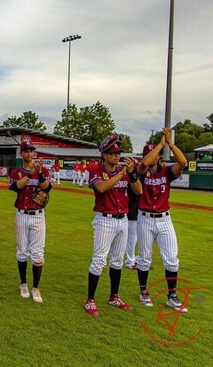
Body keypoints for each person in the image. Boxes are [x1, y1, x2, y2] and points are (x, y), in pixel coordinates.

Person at [84, 134, 142, 316]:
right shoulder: (96, 170)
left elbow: (138, 190)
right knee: (99, 260)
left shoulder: (124, 172)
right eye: (113, 153)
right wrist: (121, 173)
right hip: (104, 220)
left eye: (118, 153)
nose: (117, 156)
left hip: (122, 219)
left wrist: (131, 173)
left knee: (117, 260)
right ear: (104, 154)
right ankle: (90, 300)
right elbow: (101, 188)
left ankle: (114, 296)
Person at [135, 128, 188, 311]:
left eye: (156, 155)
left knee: (172, 259)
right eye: (150, 154)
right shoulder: (140, 171)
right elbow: (145, 163)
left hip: (164, 218)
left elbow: (182, 162)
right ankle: (143, 292)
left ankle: (172, 295)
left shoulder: (166, 172)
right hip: (145, 218)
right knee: (144, 259)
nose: (154, 157)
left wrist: (170, 143)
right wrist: (160, 145)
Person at [8, 141, 51, 303]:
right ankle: (23, 284)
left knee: (38, 253)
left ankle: (36, 288)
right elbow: (16, 187)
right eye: (26, 151)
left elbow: (47, 187)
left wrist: (39, 174)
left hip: (38, 216)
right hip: (22, 214)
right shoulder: (16, 171)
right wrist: (30, 173)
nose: (29, 153)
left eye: (32, 151)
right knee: (22, 251)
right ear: (21, 154)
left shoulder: (43, 170)